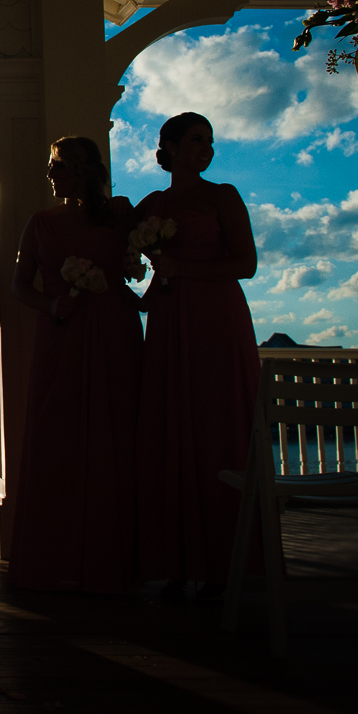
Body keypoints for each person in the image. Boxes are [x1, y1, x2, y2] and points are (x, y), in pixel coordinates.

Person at [8, 135, 143, 594]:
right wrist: (52, 306)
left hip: (115, 331)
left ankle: (113, 557)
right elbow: (19, 287)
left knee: (116, 434)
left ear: (84, 169)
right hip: (62, 334)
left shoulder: (120, 215)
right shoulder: (41, 223)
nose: (50, 174)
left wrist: (132, 264)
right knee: (56, 435)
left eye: (58, 165)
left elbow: (138, 267)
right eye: (51, 166)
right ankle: (54, 555)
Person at [135, 112, 261, 596]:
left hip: (217, 319)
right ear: (167, 146)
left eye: (210, 140)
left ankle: (228, 560)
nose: (206, 148)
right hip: (169, 320)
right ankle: (178, 559)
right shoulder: (152, 204)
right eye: (195, 139)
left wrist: (180, 267)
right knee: (171, 428)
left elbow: (245, 264)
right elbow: (121, 247)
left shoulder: (222, 195)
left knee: (218, 424)